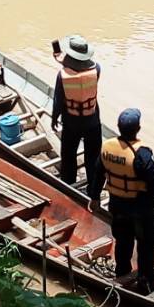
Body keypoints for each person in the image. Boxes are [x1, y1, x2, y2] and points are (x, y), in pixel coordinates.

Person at [95, 107, 154, 295]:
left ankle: (122, 273)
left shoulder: (107, 147)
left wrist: (95, 197)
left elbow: (98, 174)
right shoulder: (142, 154)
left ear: (118, 127)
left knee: (123, 242)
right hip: (141, 209)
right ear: (138, 128)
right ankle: (145, 283)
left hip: (118, 206)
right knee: (146, 245)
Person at [50, 34, 101, 190]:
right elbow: (79, 73)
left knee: (69, 154)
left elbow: (58, 100)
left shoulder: (62, 75)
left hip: (72, 122)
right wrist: (63, 61)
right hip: (92, 120)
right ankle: (93, 186)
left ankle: (69, 183)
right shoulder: (97, 69)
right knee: (93, 156)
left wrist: (54, 118)